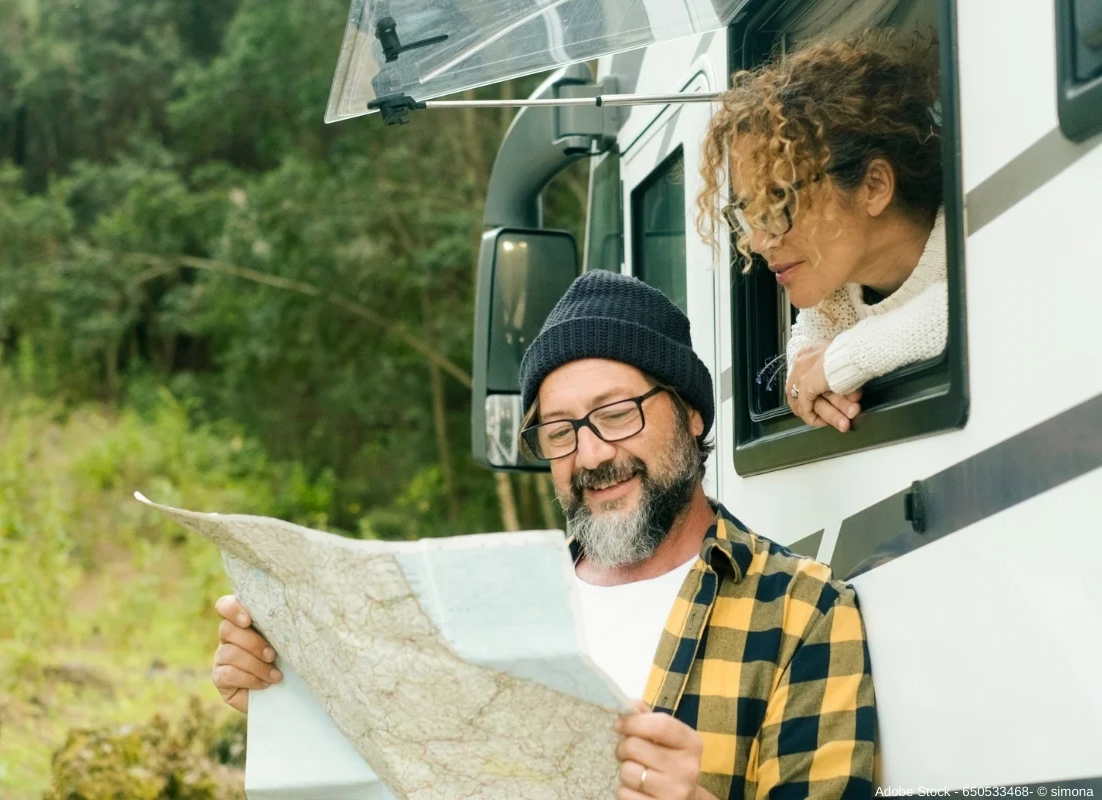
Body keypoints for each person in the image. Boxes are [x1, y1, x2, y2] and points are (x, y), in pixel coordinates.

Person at [211, 270, 877, 799]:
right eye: (559, 432)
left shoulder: (804, 612)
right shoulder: (484, 609)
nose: (589, 456)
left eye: (614, 414)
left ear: (692, 413)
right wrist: (283, 697)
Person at [696, 29, 947, 432]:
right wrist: (805, 381)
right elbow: (807, 350)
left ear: (874, 186)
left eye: (778, 204)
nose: (759, 243)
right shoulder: (837, 295)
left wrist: (846, 358)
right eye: (750, 213)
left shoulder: (976, 234)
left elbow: (978, 302)